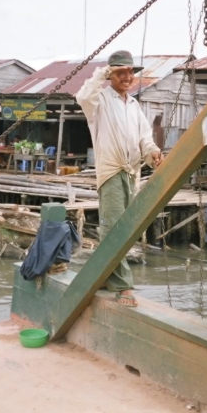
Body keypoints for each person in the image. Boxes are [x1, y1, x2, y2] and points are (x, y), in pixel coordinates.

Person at [76, 49, 162, 308]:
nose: (127, 77)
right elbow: (82, 95)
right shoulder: (99, 99)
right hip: (112, 171)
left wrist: (153, 153)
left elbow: (145, 138)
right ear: (111, 74)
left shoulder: (134, 105)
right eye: (120, 72)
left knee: (124, 229)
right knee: (113, 228)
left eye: (130, 72)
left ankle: (102, 275)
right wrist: (102, 73)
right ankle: (123, 286)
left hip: (131, 173)